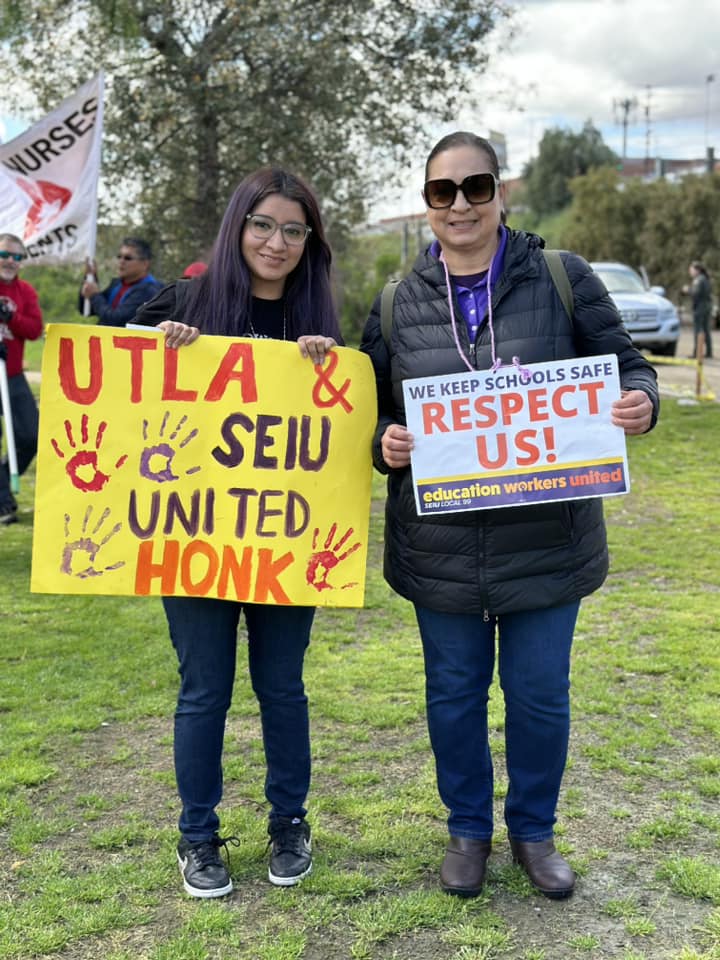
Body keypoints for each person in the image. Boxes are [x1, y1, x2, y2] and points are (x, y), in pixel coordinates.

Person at [360, 132, 659, 901]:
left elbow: (629, 364)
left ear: (500, 194)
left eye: (476, 187)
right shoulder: (395, 303)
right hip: (441, 548)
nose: (460, 204)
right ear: (426, 203)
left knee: (539, 697)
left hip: (546, 543)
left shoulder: (563, 277)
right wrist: (384, 443)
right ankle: (467, 832)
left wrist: (641, 401)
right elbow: (369, 417)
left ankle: (534, 832)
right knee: (453, 697)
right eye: (443, 191)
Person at [134, 167, 341, 898]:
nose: (276, 242)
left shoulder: (319, 318)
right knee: (204, 691)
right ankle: (197, 836)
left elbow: (346, 428)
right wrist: (157, 343)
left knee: (283, 688)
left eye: (293, 230)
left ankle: (290, 823)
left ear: (308, 241)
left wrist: (328, 371)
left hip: (283, 542)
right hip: (194, 540)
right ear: (237, 227)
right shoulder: (183, 302)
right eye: (262, 225)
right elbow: (114, 379)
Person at [0, 233, 43, 525]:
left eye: (17, 257)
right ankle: (4, 503)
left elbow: (34, 329)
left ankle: (2, 479)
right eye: (4, 254)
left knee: (31, 434)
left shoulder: (25, 291)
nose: (10, 261)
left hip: (12, 375)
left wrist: (10, 318)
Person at [79, 237, 163, 326]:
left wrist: (94, 295)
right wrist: (91, 277)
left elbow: (116, 321)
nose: (121, 261)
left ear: (145, 263)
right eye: (119, 257)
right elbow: (89, 310)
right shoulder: (117, 284)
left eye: (128, 258)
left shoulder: (149, 290)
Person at [682, 261, 712, 359]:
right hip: (707, 306)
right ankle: (709, 352)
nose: (690, 272)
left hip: (700, 307)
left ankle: (696, 353)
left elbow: (696, 293)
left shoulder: (698, 279)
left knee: (698, 330)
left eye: (691, 270)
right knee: (706, 329)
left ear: (697, 270)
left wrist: (688, 290)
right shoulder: (706, 278)